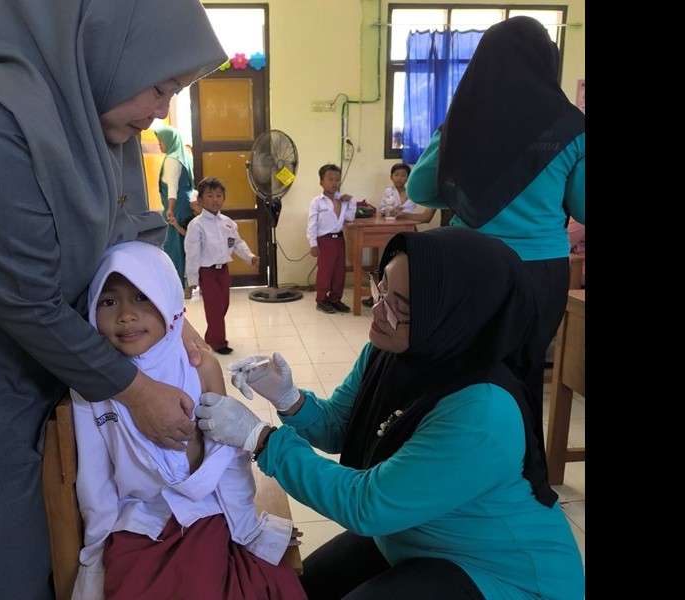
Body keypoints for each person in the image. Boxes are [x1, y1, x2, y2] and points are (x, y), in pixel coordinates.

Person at [195, 228, 585, 600]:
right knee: (301, 588)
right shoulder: (389, 351)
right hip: (415, 533)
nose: (378, 310)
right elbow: (340, 427)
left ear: (453, 318)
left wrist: (262, 439)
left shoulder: (482, 412)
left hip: (499, 573)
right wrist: (290, 400)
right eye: (380, 288)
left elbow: (367, 505)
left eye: (401, 307)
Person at [0, 1, 227, 598]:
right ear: (107, 49)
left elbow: (131, 227)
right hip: (2, 379)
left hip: (68, 360)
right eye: (160, 88)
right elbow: (24, 301)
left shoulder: (98, 110)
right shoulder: (1, 121)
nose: (162, 110)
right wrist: (136, 390)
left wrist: (175, 323)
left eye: (174, 93)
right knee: (14, 552)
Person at [70, 241, 305, 600]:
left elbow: (229, 458)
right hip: (138, 521)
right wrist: (95, 552)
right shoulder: (92, 387)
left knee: (260, 585)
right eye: (109, 301)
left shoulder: (199, 366)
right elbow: (95, 478)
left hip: (208, 509)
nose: (126, 315)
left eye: (142, 297)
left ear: (167, 299)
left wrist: (247, 527)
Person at [405, 16, 585, 453]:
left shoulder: (463, 120)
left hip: (471, 267)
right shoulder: (572, 127)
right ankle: (522, 469)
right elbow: (582, 207)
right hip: (540, 273)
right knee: (523, 371)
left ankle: (454, 465)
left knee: (464, 372)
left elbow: (419, 190)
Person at [184, 177, 259, 355]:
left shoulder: (228, 222)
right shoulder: (197, 225)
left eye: (219, 195)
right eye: (210, 195)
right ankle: (218, 342)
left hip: (223, 270)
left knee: (223, 304)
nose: (215, 199)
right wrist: (192, 279)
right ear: (200, 200)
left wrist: (249, 257)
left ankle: (211, 335)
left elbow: (237, 243)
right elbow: (192, 253)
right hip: (207, 272)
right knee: (215, 308)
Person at [363, 163, 435, 307]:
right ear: (391, 177)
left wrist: (403, 214)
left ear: (408, 178)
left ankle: (404, 298)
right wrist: (391, 211)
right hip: (390, 230)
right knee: (389, 264)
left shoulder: (412, 193)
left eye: (403, 175)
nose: (399, 178)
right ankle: (379, 296)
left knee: (407, 265)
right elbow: (381, 211)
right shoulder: (388, 192)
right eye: (396, 175)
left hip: (409, 230)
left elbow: (425, 217)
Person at [306, 163, 358, 314]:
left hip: (339, 239)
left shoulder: (342, 201)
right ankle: (321, 299)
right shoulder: (317, 202)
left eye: (337, 179)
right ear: (321, 182)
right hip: (324, 241)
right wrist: (313, 243)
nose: (334, 183)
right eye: (330, 179)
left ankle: (335, 299)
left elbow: (349, 218)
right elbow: (312, 224)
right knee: (325, 271)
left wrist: (352, 202)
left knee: (339, 271)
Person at [152, 123, 196, 295]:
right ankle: (187, 284)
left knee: (175, 246)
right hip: (186, 204)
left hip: (176, 207)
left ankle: (180, 285)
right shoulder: (184, 156)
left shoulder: (172, 160)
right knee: (186, 245)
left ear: (170, 141)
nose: (159, 144)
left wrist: (170, 209)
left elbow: (172, 187)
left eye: (161, 141)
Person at [170, 193, 203, 299]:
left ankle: (204, 288)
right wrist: (175, 224)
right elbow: (185, 233)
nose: (200, 207)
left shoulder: (207, 219)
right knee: (190, 269)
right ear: (192, 206)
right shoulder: (189, 220)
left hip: (205, 250)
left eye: (201, 204)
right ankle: (188, 289)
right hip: (193, 250)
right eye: (197, 205)